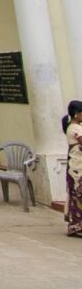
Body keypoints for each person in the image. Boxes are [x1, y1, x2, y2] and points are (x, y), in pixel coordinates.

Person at [64, 100, 82, 237]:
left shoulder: (73, 126)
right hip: (78, 166)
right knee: (78, 193)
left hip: (76, 164)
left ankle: (76, 225)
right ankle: (77, 225)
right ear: (76, 114)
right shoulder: (75, 128)